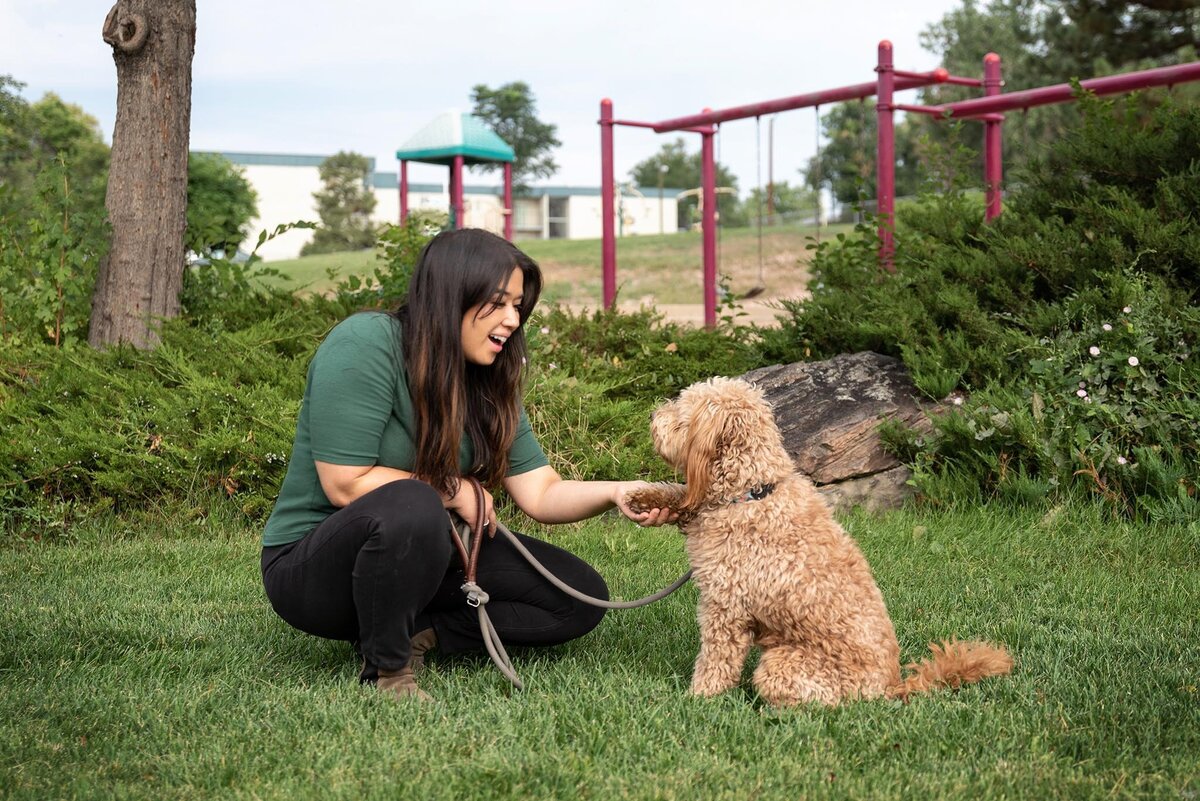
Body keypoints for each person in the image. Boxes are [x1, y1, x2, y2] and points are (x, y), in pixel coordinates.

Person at [260, 228, 674, 700]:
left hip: (429, 556)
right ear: (451, 294)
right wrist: (454, 489)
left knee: (577, 598)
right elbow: (344, 483)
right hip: (314, 568)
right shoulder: (366, 343)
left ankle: (418, 630)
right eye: (498, 303)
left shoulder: (490, 377)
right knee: (414, 501)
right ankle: (387, 672)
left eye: (518, 305)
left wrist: (618, 491)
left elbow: (541, 492)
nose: (513, 319)